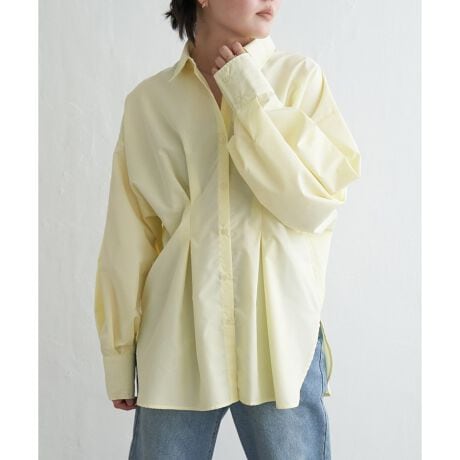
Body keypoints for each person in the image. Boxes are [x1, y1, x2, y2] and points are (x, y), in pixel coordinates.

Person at [93, 0, 361, 458]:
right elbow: (127, 238)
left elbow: (314, 204)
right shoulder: (148, 103)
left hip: (280, 343)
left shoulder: (298, 81)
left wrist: (250, 95)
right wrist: (118, 355)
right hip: (177, 344)